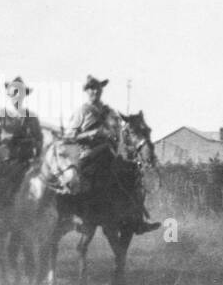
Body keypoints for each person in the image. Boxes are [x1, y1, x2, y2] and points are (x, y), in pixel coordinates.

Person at [67, 75, 159, 233]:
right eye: (91, 88)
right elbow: (70, 136)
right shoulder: (82, 111)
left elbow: (121, 131)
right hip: (88, 155)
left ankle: (138, 219)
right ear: (87, 91)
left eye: (97, 87)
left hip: (110, 154)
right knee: (80, 181)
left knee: (131, 178)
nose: (95, 91)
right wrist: (90, 135)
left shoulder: (109, 112)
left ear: (101, 90)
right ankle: (79, 218)